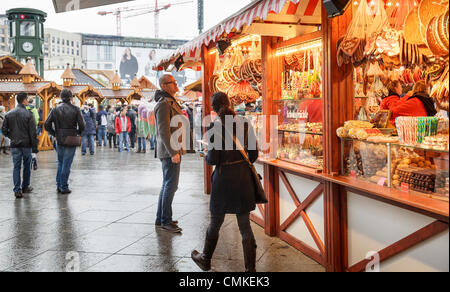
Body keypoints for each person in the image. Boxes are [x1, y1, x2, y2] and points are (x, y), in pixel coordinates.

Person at [191, 92, 259, 272]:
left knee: (215, 222)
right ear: (230, 103)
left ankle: (205, 259)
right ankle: (250, 270)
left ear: (214, 108)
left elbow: (213, 159)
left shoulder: (214, 127)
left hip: (223, 181)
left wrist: (205, 155)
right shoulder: (245, 123)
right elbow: (254, 155)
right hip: (243, 179)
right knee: (245, 226)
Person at [154, 74, 188, 233]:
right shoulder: (164, 104)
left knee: (167, 184)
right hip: (170, 151)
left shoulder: (170, 102)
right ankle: (165, 220)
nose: (176, 85)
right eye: (173, 83)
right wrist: (173, 151)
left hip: (173, 149)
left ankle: (161, 217)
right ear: (164, 86)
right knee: (171, 185)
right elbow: (163, 131)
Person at [45, 89, 85, 194]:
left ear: (61, 97)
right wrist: (78, 132)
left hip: (59, 138)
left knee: (61, 162)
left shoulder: (55, 109)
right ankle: (64, 186)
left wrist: (54, 133)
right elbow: (82, 125)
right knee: (66, 163)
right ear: (71, 98)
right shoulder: (76, 109)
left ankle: (59, 184)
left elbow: (46, 124)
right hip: (71, 137)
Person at [1, 92, 39, 198]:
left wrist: (11, 136)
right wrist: (35, 148)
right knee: (27, 166)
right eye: (27, 99)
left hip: (15, 144)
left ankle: (17, 189)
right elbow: (32, 133)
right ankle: (25, 186)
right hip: (26, 144)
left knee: (16, 167)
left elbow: (4, 130)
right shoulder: (28, 114)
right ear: (24, 100)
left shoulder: (9, 114)